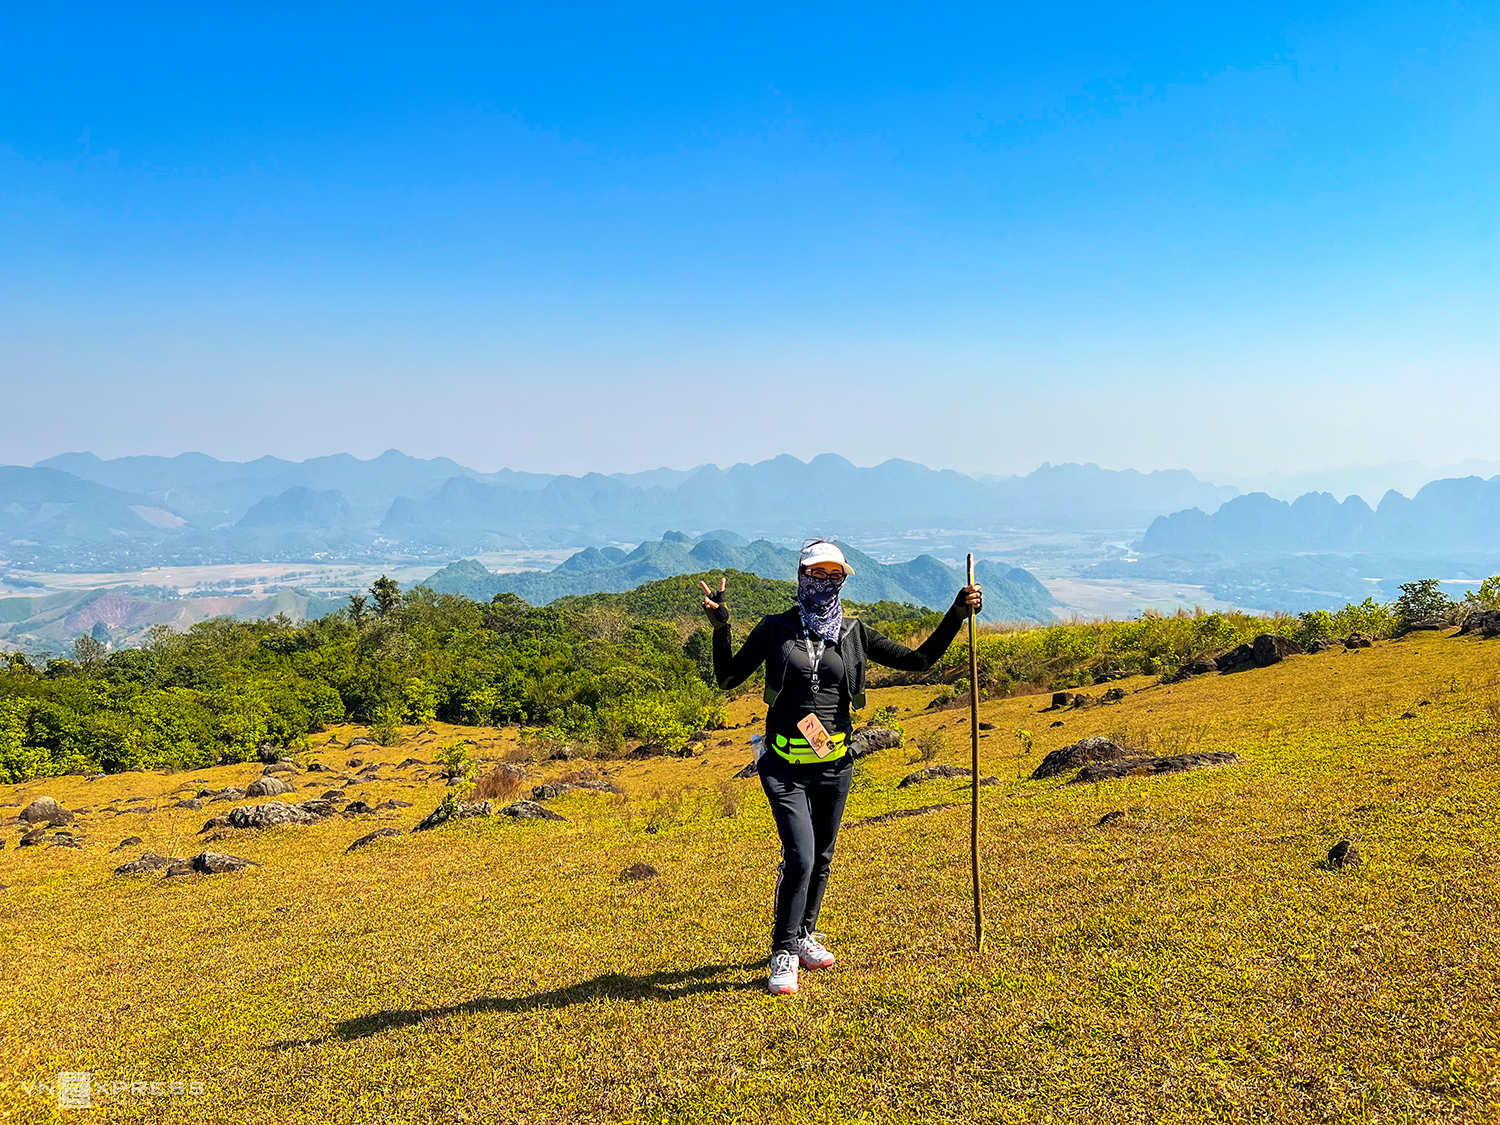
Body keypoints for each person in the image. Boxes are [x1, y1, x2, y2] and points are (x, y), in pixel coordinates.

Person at [700, 539, 982, 995]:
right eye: (818, 574)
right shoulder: (776, 629)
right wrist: (720, 626)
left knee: (824, 858)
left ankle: (805, 934)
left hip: (835, 765)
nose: (827, 583)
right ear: (800, 577)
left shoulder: (853, 632)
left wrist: (956, 613)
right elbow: (728, 678)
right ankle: (784, 951)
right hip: (785, 765)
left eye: (836, 576)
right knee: (801, 857)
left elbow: (919, 661)